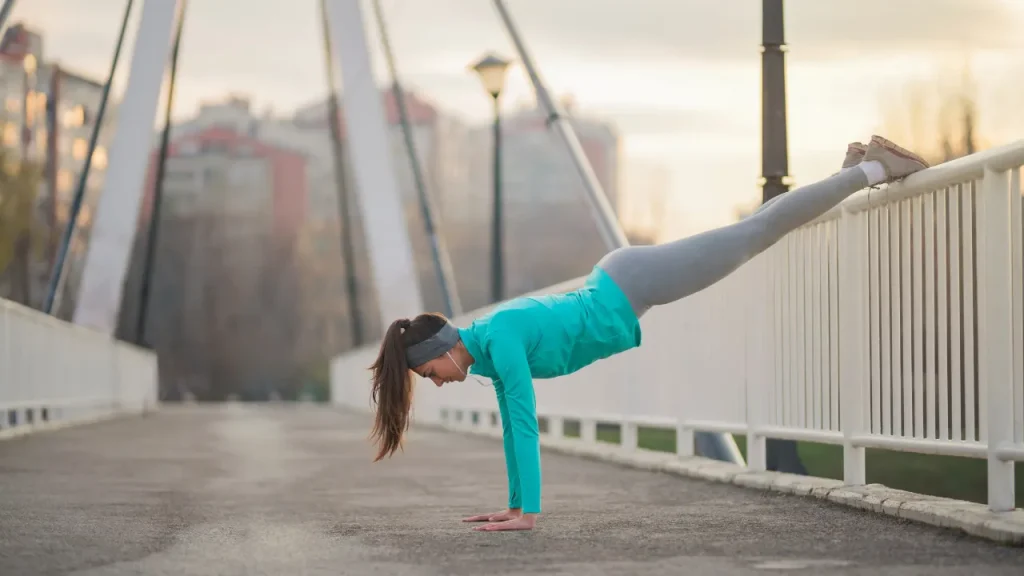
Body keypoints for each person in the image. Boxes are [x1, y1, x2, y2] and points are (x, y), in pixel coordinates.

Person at [368, 135, 928, 532]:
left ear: (441, 348)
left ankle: (871, 169)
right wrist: (513, 507)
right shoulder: (485, 351)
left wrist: (527, 514)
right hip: (622, 282)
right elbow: (515, 436)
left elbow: (522, 425)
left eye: (427, 374)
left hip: (629, 282)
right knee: (749, 233)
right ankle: (852, 166)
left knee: (753, 232)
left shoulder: (500, 337)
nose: (436, 383)